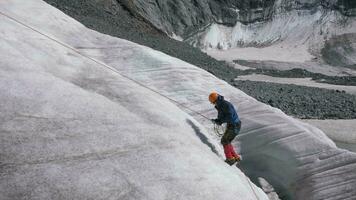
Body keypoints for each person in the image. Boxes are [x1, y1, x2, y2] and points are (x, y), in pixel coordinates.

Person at [209, 92, 242, 166]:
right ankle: (235, 157)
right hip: (233, 125)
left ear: (215, 101)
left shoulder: (225, 105)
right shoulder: (221, 105)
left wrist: (220, 121)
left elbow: (229, 117)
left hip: (234, 125)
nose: (213, 104)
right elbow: (223, 116)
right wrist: (217, 120)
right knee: (227, 141)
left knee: (224, 141)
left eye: (213, 103)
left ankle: (230, 159)